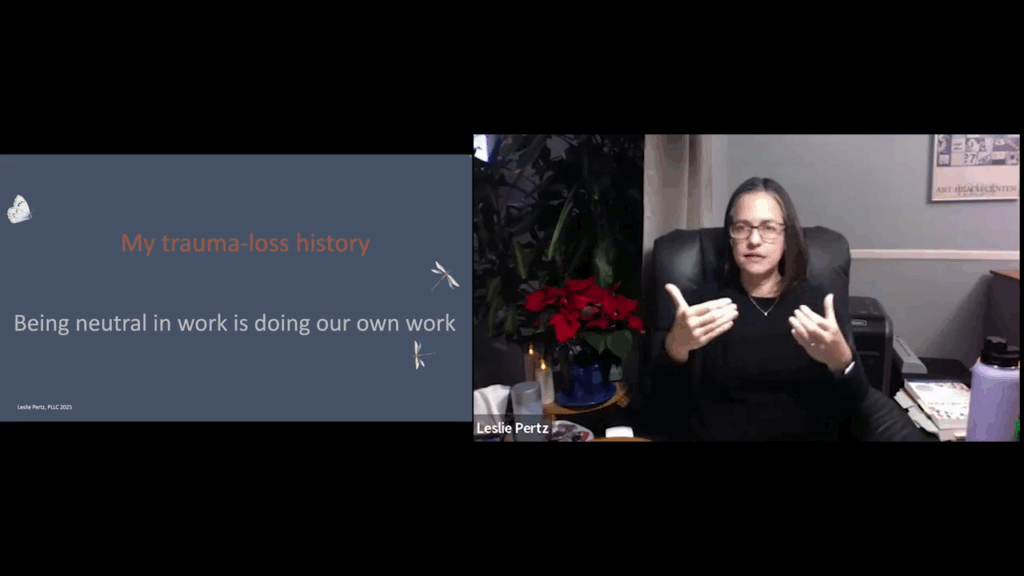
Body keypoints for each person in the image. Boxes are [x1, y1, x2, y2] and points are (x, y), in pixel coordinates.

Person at [645, 177, 935, 441]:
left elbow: (856, 403)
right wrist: (676, 347)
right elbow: (663, 404)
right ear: (730, 237)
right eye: (741, 227)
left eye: (769, 228)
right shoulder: (702, 306)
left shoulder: (820, 305)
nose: (754, 240)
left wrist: (843, 361)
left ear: (787, 237)